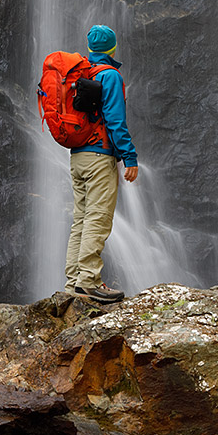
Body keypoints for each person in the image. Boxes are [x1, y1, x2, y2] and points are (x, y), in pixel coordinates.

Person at [64, 24, 138, 303]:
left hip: (77, 157)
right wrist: (129, 157)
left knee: (80, 219)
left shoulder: (80, 74)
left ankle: (73, 282)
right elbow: (115, 120)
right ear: (112, 48)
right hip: (99, 157)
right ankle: (89, 281)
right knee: (98, 217)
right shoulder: (110, 75)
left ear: (90, 48)